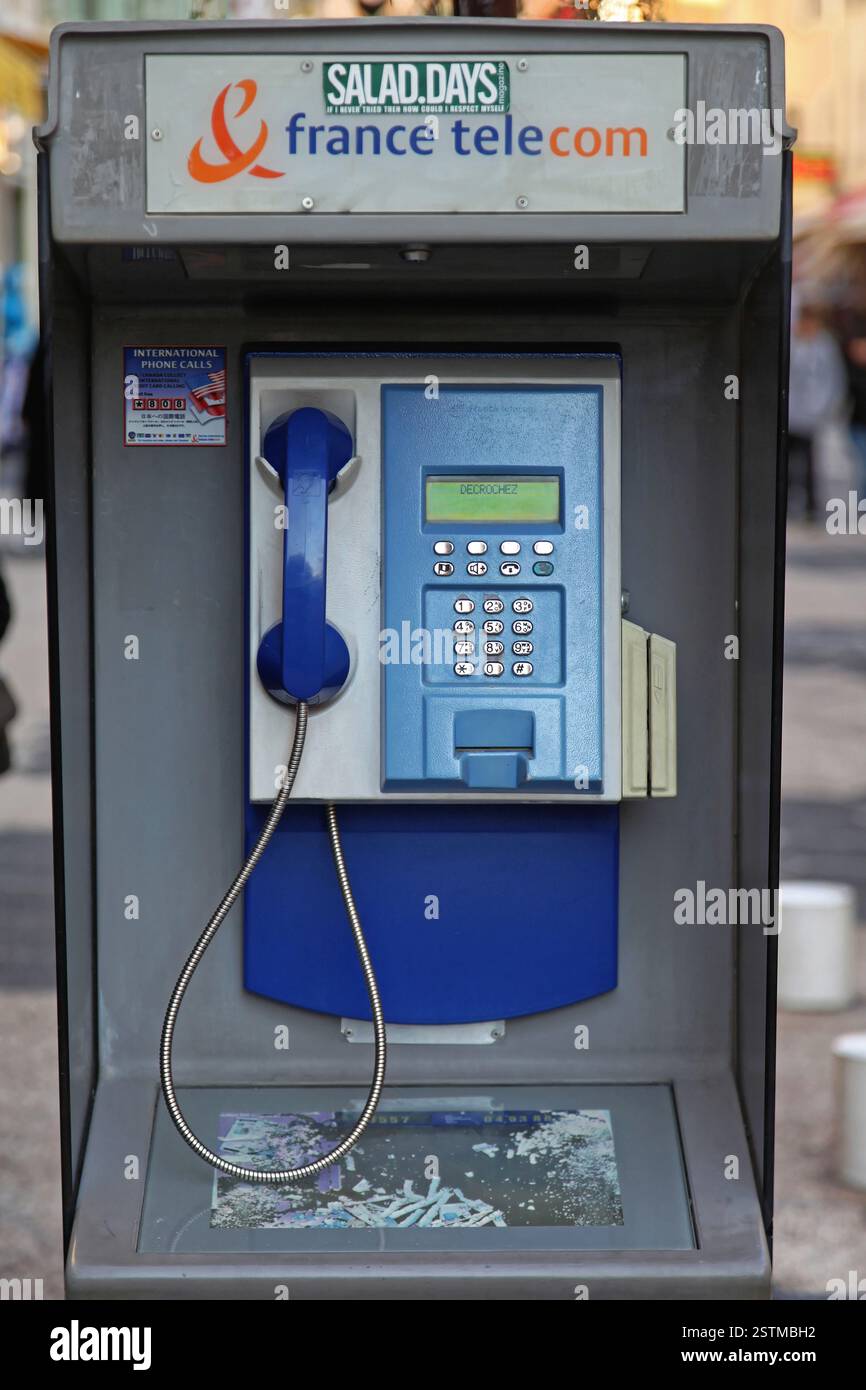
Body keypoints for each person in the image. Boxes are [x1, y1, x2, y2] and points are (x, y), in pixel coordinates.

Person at [788, 300, 847, 522]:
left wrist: (829, 405)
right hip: (790, 411)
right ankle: (788, 501)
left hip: (811, 411)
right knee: (787, 459)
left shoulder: (824, 344)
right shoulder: (791, 341)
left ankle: (810, 506)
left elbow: (834, 377)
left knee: (809, 460)